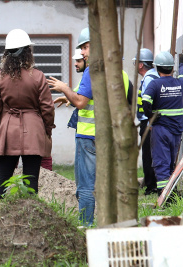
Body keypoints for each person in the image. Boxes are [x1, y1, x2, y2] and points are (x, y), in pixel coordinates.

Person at [47, 28, 132, 226]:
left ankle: (85, 225)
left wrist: (64, 89)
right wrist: (70, 95)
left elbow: (81, 102)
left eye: (85, 47)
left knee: (86, 185)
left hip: (88, 138)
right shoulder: (122, 74)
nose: (83, 53)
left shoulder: (91, 70)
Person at [0, 29, 55, 199]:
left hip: (8, 130)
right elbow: (47, 107)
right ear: (27, 52)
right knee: (31, 179)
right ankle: (30, 215)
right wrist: (48, 129)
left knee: (2, 177)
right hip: (34, 130)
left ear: (7, 54)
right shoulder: (38, 76)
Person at [142, 51, 183, 194]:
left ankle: (164, 193)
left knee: (161, 161)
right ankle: (171, 190)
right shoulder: (179, 84)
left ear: (157, 68)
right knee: (171, 162)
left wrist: (151, 116)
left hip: (160, 129)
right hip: (176, 130)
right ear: (171, 68)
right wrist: (182, 62)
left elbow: (146, 102)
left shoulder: (155, 84)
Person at [134, 48, 158, 195]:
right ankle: (151, 183)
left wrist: (149, 122)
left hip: (148, 122)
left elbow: (148, 103)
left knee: (148, 156)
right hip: (151, 121)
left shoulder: (148, 79)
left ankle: (150, 186)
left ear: (141, 65)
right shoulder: (153, 76)